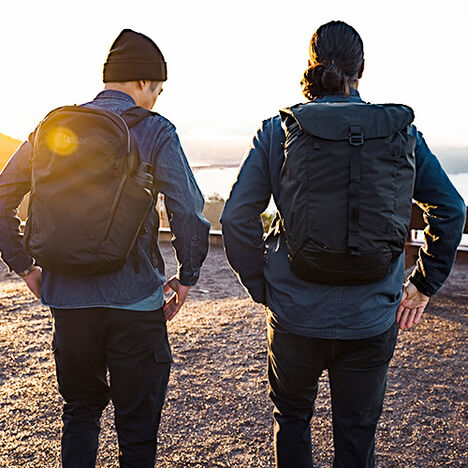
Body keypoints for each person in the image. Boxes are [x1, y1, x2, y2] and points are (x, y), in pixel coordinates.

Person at [221, 20, 466, 468]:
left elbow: (236, 217)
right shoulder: (400, 133)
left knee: (292, 420)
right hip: (371, 319)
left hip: (294, 315)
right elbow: (450, 209)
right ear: (362, 70)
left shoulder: (279, 131)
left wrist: (264, 287)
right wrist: (423, 285)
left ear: (310, 68)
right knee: (356, 437)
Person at [0, 29, 210, 468]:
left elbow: (2, 197)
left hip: (69, 301)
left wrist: (25, 267)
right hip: (135, 301)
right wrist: (187, 276)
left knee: (80, 413)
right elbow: (187, 209)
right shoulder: (155, 129)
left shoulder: (51, 128)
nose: (155, 99)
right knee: (136, 433)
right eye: (157, 89)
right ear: (142, 83)